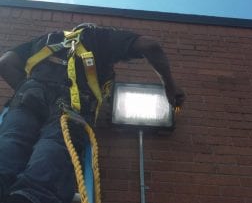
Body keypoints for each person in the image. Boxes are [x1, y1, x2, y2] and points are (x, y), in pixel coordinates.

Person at [0, 23, 185, 203]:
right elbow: (150, 45)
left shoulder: (47, 40)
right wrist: (169, 85)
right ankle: (31, 195)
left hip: (27, 97)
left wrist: (34, 95)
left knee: (12, 138)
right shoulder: (97, 36)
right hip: (72, 101)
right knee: (55, 143)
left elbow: (5, 62)